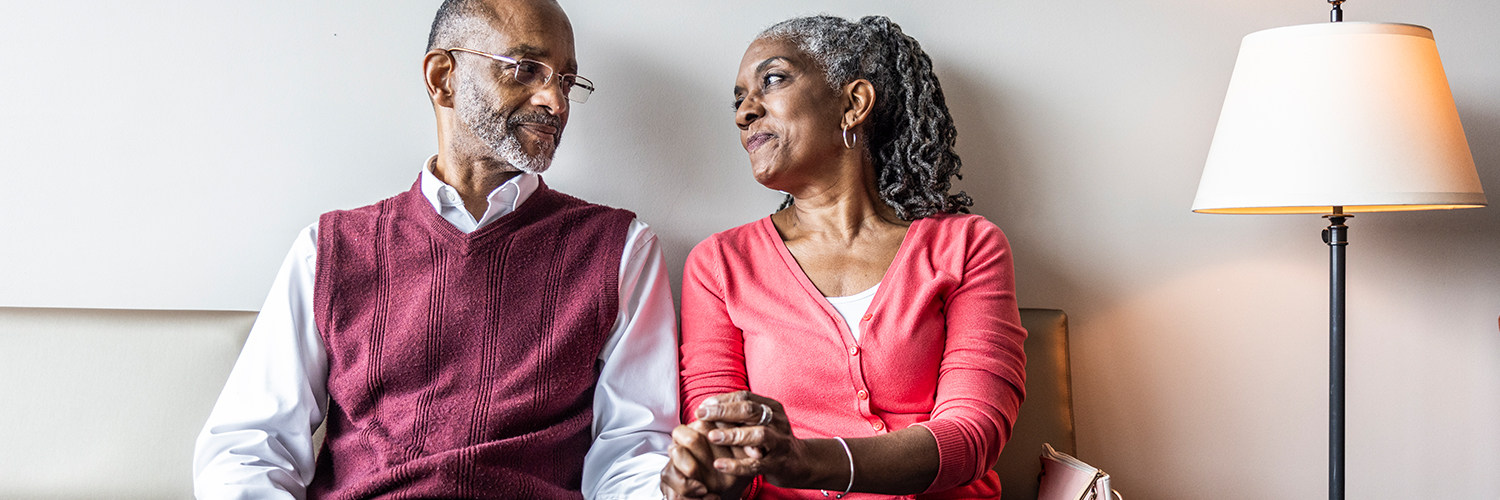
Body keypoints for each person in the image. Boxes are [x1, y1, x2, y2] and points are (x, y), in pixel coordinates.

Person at [193, 1, 679, 498]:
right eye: (527, 70)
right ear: (443, 76)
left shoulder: (620, 249)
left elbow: (635, 450)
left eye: (567, 81)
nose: (555, 102)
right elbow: (249, 448)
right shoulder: (329, 250)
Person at [662, 15, 1027, 500]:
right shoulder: (720, 265)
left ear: (854, 102)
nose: (744, 113)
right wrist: (707, 477)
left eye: (771, 80)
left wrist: (805, 462)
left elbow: (971, 436)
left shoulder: (966, 246)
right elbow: (724, 449)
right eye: (737, 99)